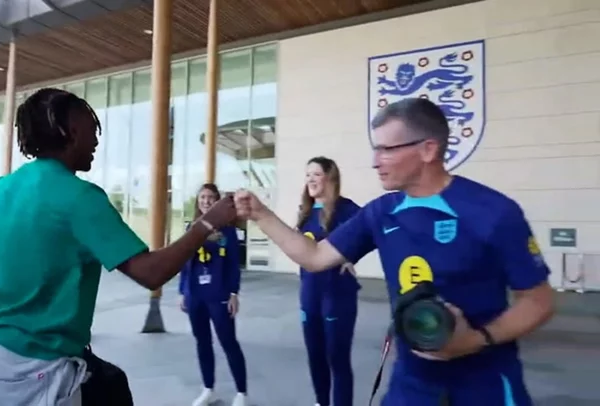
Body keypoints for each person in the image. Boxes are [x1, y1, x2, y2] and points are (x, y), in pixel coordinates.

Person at [234, 98, 555, 406]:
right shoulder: (381, 212)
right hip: (412, 386)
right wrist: (262, 215)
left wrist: (475, 339)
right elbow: (315, 257)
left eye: (387, 149)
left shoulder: (494, 212)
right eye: (376, 149)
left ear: (428, 149)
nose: (375, 161)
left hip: (486, 386)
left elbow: (538, 301)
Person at [0, 88, 236, 406]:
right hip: (35, 366)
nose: (96, 141)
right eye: (92, 130)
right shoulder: (79, 197)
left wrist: (12, 299)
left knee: (111, 386)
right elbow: (152, 272)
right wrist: (207, 223)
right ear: (69, 131)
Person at [296, 156, 360, 406]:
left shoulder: (347, 209)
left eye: (316, 174)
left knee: (337, 359)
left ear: (330, 177)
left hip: (337, 295)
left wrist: (350, 255)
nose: (310, 179)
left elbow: (370, 233)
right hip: (309, 294)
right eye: (307, 174)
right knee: (315, 356)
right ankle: (321, 402)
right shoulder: (305, 212)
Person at [179, 183, 248, 406]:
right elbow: (183, 261)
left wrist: (234, 293)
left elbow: (233, 265)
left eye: (210, 197)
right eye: (202, 197)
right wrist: (183, 292)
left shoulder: (228, 230)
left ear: (217, 201)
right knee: (202, 342)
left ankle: (241, 393)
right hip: (195, 294)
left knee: (228, 342)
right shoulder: (193, 228)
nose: (206, 201)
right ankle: (209, 389)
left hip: (219, 294)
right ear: (197, 201)